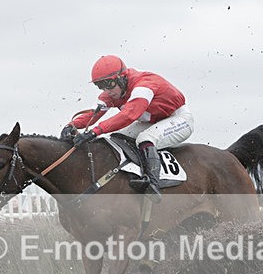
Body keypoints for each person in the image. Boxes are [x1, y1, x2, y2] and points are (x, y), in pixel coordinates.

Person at [60, 55, 193, 203]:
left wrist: (95, 131)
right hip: (152, 121)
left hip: (178, 118)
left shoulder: (143, 85)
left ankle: (153, 184)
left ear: (122, 78)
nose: (106, 90)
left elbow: (129, 115)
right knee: (117, 137)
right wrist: (71, 125)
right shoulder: (110, 94)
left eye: (109, 84)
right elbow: (93, 114)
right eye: (100, 85)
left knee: (145, 139)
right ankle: (133, 174)